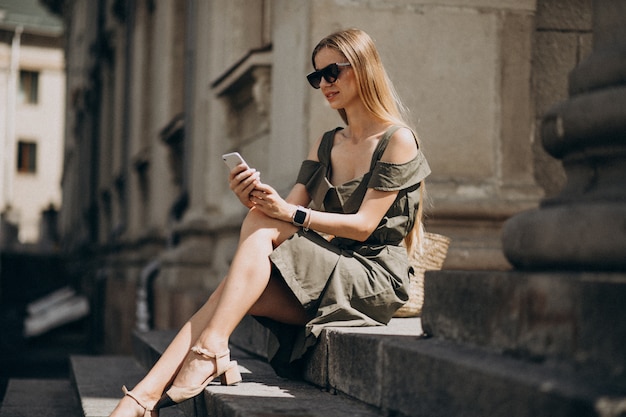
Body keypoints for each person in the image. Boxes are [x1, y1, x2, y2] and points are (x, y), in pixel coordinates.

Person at [110, 27, 431, 417]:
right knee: (236, 283)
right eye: (316, 77)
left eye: (333, 72)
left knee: (260, 233)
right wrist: (254, 198)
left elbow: (363, 225)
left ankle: (194, 363)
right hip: (331, 268)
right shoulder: (328, 143)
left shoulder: (397, 140)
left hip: (373, 277)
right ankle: (147, 396)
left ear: (364, 69)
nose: (324, 84)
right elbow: (283, 213)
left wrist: (283, 213)